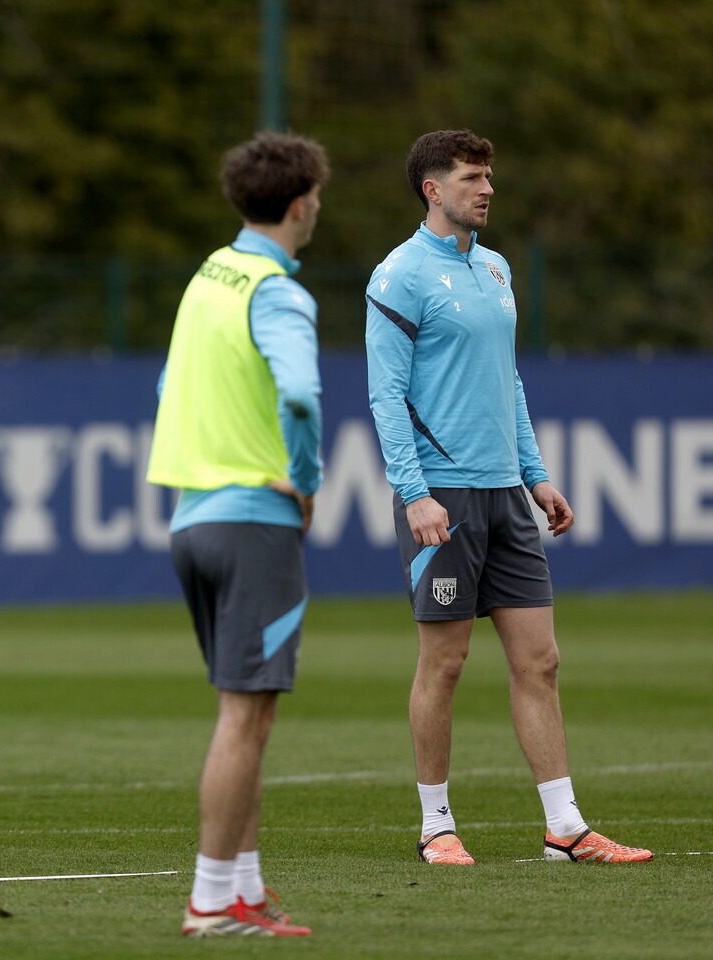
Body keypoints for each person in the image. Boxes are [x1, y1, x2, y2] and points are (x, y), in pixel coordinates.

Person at [365, 129, 652, 866]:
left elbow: (509, 380)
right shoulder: (398, 276)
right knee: (446, 663)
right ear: (433, 189)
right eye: (470, 177)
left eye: (488, 175)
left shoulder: (494, 269)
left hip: (504, 494)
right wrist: (414, 493)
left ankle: (565, 827)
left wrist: (536, 474)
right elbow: (385, 396)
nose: (486, 188)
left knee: (542, 661)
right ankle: (435, 825)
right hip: (445, 497)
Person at [147, 130, 327, 937]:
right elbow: (299, 397)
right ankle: (212, 901)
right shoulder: (277, 291)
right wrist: (308, 479)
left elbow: (165, 383)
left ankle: (243, 889)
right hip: (254, 521)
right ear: (299, 203)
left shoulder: (205, 279)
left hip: (192, 516)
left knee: (244, 714)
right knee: (243, 718)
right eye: (317, 197)